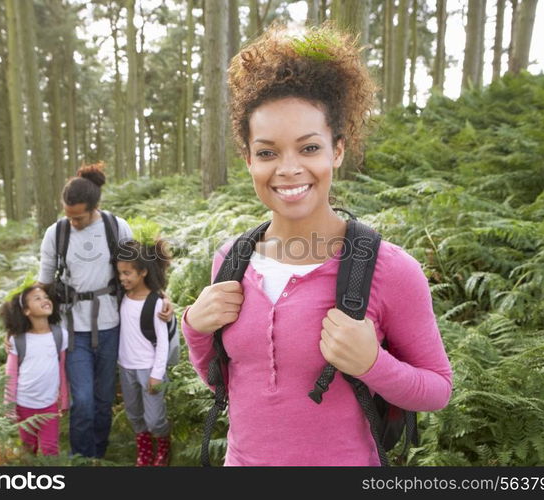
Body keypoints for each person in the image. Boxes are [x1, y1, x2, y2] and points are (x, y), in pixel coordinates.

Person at [182, 26, 453, 466]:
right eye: (268, 153)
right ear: (248, 158)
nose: (288, 169)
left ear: (337, 150)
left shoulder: (388, 269)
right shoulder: (231, 260)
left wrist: (372, 364)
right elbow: (225, 384)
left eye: (309, 147)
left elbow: (437, 388)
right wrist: (195, 326)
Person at [36, 163, 173, 458]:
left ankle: (98, 454)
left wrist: (162, 296)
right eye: (68, 215)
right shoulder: (55, 233)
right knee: (82, 399)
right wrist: (24, 322)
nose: (73, 222)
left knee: (102, 398)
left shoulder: (115, 227)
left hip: (112, 326)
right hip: (73, 329)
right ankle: (81, 458)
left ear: (94, 207)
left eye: (80, 217)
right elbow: (44, 282)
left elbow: (137, 270)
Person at [116, 239, 173, 466]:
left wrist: (156, 374)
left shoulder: (156, 303)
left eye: (127, 273)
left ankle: (164, 446)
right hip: (126, 367)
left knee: (155, 417)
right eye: (120, 273)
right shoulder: (121, 297)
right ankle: (145, 452)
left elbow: (162, 342)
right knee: (134, 415)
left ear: (142, 272)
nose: (123, 278)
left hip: (149, 369)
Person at [1, 283, 69, 456]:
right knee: (28, 447)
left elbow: (62, 368)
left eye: (46, 297)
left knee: (50, 448)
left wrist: (64, 397)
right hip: (24, 404)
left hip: (49, 404)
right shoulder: (18, 340)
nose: (44, 300)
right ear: (26, 311)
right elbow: (11, 374)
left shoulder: (60, 335)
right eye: (37, 299)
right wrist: (9, 404)